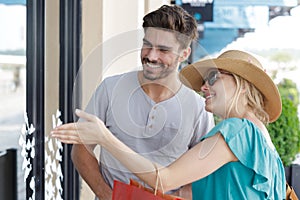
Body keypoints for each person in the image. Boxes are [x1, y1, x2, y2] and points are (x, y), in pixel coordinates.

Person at [52, 49, 286, 199]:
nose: (204, 87)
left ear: (243, 85)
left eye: (214, 78)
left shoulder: (236, 131)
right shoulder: (260, 136)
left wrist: (105, 139)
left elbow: (164, 180)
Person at [70, 5, 214, 200]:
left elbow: (204, 172)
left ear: (184, 54)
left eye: (163, 50)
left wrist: (180, 195)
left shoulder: (198, 108)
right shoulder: (110, 89)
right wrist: (106, 195)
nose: (151, 56)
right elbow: (81, 150)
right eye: (147, 45)